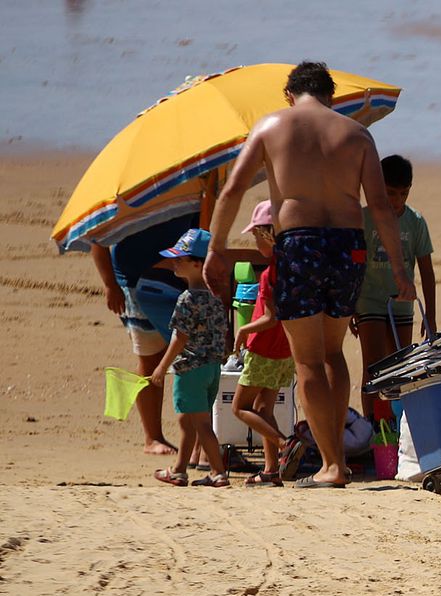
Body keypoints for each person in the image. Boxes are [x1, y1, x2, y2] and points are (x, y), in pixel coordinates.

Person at [204, 60, 413, 488]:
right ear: (331, 96)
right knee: (333, 353)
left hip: (300, 246)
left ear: (289, 94)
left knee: (308, 361)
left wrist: (215, 248)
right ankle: (336, 459)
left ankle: (332, 465)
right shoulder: (357, 134)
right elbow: (378, 206)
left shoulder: (270, 125)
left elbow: (232, 190)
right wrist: (397, 267)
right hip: (347, 247)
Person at [89, 213, 198, 456]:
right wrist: (109, 285)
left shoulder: (187, 186)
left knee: (192, 357)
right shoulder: (131, 194)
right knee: (151, 358)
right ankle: (153, 437)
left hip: (180, 280)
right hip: (134, 281)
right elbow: (98, 238)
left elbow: (199, 232)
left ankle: (199, 440)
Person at [354, 154, 436, 422]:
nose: (397, 200)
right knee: (373, 366)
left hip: (402, 303)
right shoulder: (365, 218)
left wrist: (431, 315)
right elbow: (354, 265)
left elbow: (426, 270)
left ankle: (394, 424)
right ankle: (370, 425)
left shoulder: (415, 221)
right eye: (390, 193)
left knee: (399, 365)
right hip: (368, 301)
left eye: (403, 193)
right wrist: (350, 306)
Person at [147, 229, 232, 487]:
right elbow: (223, 336)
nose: (175, 262)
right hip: (210, 370)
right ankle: (180, 469)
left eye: (180, 258)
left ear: (197, 264)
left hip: (190, 369)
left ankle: (218, 472)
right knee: (189, 421)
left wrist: (161, 367)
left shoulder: (187, 299)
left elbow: (179, 337)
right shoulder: (216, 300)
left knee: (202, 424)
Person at [230, 202, 294, 485]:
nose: (253, 240)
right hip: (285, 350)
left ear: (267, 234)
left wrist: (243, 330)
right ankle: (271, 471)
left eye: (256, 234)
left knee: (239, 407)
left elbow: (270, 317)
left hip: (264, 349)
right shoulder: (291, 267)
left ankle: (285, 445)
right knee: (263, 409)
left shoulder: (270, 273)